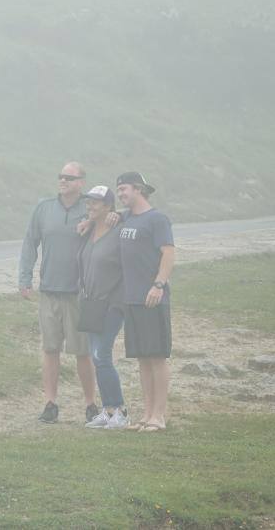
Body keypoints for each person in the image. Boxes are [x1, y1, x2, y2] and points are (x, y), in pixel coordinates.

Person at [19, 162, 98, 424]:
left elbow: (114, 217)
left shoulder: (91, 207)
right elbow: (30, 242)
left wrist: (105, 218)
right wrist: (25, 277)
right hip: (50, 291)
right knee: (50, 348)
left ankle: (90, 405)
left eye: (69, 177)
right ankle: (50, 403)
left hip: (78, 292)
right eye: (60, 177)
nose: (63, 181)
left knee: (82, 352)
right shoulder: (44, 208)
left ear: (81, 182)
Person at [115, 172, 174, 433]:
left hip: (153, 298)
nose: (121, 194)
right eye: (118, 190)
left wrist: (158, 285)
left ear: (139, 189)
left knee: (157, 357)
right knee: (141, 358)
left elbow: (168, 253)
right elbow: (110, 216)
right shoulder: (126, 217)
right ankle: (146, 413)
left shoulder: (157, 219)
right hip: (131, 298)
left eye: (124, 189)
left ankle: (159, 416)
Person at [77, 186, 129, 429]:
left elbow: (137, 219)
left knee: (101, 355)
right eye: (88, 201)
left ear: (109, 206)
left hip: (112, 304)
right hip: (90, 303)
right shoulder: (88, 229)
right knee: (97, 358)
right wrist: (87, 221)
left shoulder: (119, 229)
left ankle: (120, 410)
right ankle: (108, 412)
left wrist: (122, 216)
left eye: (96, 202)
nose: (90, 206)